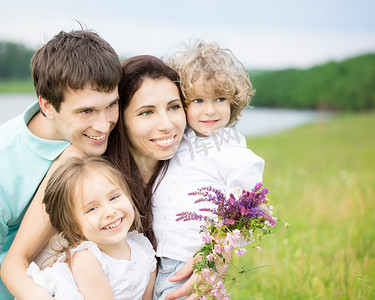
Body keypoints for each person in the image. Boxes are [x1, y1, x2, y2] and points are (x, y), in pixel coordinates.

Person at [2, 55, 187, 299]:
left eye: (174, 107)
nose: (166, 124)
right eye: (146, 112)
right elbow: (15, 262)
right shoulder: (83, 165)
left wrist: (213, 255)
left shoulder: (190, 153)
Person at [0, 29, 122, 299]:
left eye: (111, 105)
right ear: (47, 106)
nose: (104, 126)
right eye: (86, 111)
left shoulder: (95, 135)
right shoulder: (5, 165)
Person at [152, 41, 265, 299]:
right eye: (198, 100)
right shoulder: (178, 139)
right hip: (154, 258)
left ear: (233, 102)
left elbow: (247, 211)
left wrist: (215, 261)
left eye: (220, 99)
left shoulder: (234, 152)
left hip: (191, 265)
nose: (210, 110)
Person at [26, 156, 156, 300]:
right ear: (73, 226)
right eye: (92, 208)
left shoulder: (142, 248)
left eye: (114, 197)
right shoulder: (87, 259)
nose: (110, 212)